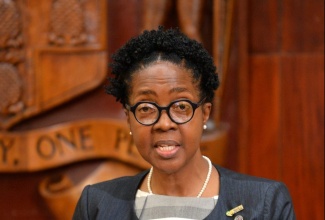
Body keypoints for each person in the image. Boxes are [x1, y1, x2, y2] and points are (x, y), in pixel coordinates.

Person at [73, 27, 296, 219]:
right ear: (129, 118)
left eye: (181, 107)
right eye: (146, 109)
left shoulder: (264, 203)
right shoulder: (98, 205)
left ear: (205, 113)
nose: (164, 123)